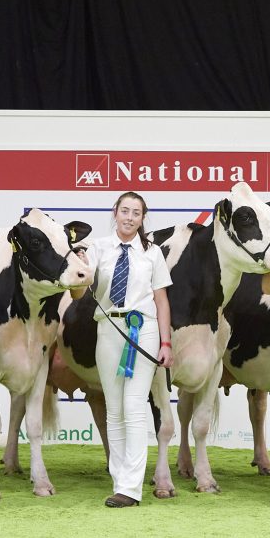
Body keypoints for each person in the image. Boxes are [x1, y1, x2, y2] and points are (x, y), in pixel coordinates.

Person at [74, 192, 173, 508]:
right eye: (125, 211)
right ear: (115, 212)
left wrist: (166, 342)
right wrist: (78, 262)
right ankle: (120, 481)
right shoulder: (96, 248)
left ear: (143, 218)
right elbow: (78, 289)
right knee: (114, 408)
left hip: (142, 329)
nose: (130, 217)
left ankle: (131, 488)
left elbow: (161, 300)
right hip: (108, 327)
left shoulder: (153, 253)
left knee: (133, 405)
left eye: (137, 213)